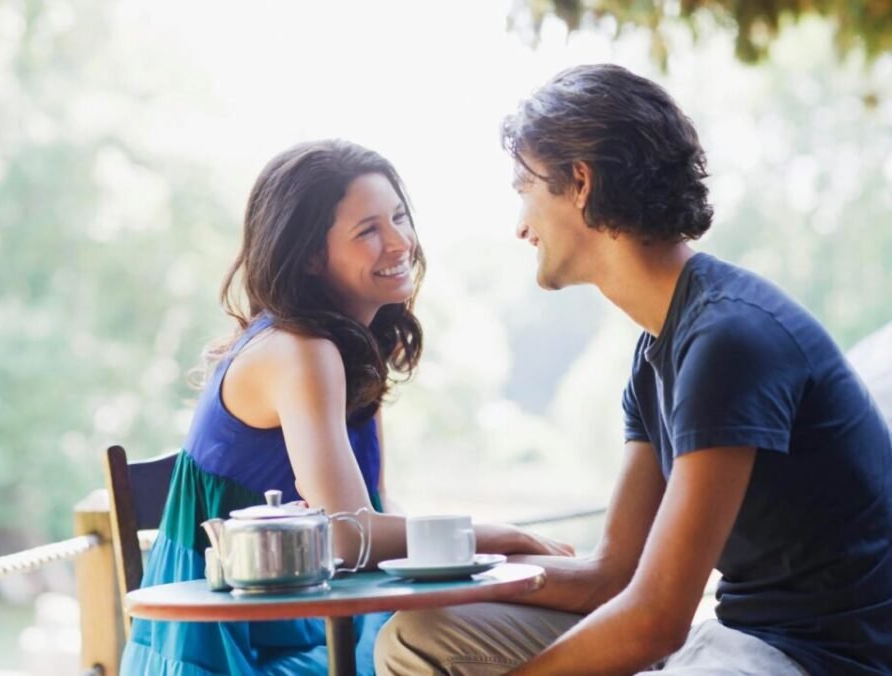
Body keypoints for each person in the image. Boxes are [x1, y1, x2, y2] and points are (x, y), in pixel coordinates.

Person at [376, 64, 892, 675]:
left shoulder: (729, 339)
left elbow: (655, 618)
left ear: (581, 183)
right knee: (419, 638)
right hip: (734, 643)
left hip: (818, 660)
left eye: (525, 188)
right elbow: (613, 575)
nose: (520, 225)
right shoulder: (654, 354)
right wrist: (483, 566)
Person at [120, 139, 570, 676]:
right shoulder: (301, 353)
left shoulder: (349, 352)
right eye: (368, 231)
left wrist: (505, 552)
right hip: (234, 656)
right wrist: (502, 535)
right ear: (310, 256)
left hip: (318, 628)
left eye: (399, 218)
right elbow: (350, 534)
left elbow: (371, 513)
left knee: (525, 606)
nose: (400, 242)